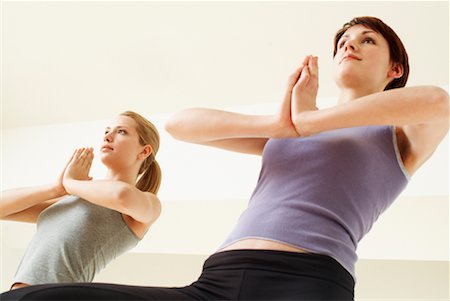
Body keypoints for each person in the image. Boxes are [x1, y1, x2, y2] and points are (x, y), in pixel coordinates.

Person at [2, 16, 448, 300]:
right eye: (343, 40)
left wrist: (311, 121)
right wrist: (281, 125)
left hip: (311, 280)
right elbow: (180, 124)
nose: (349, 45)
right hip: (220, 276)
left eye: (367, 41)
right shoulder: (287, 131)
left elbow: (436, 101)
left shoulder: (399, 134)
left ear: (395, 70)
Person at [1, 111, 162, 290]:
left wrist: (70, 183)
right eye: (107, 131)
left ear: (144, 151)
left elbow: (121, 195)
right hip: (16, 293)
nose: (108, 137)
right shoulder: (73, 194)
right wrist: (56, 188)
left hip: (54, 296)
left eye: (121, 131)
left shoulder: (149, 203)